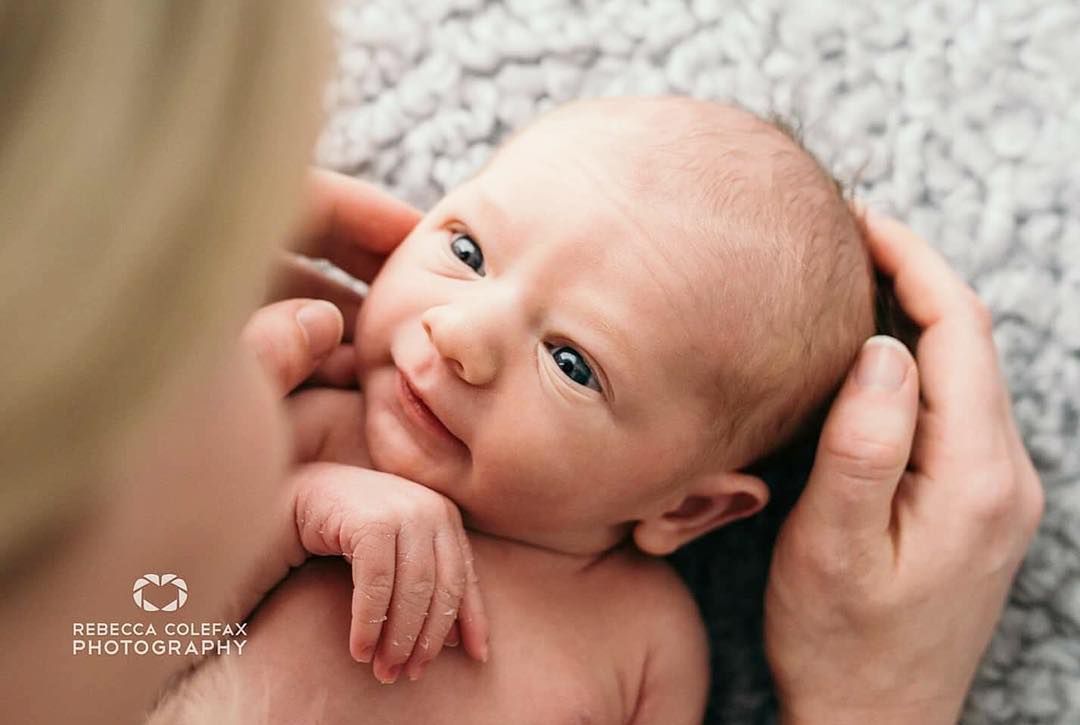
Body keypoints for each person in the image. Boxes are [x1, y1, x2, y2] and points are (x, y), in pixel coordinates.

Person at [0, 3, 1043, 725]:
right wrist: (291, 517)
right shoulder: (296, 436)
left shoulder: (646, 640)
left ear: (688, 509)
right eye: (465, 250)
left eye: (576, 363)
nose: (464, 332)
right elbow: (89, 643)